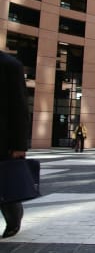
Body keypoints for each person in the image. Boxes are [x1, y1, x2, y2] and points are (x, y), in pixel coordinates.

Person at [0, 50, 30, 238]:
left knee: (5, 186)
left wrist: (19, 145)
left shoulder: (9, 65)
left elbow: (20, 109)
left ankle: (13, 217)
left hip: (3, 141)